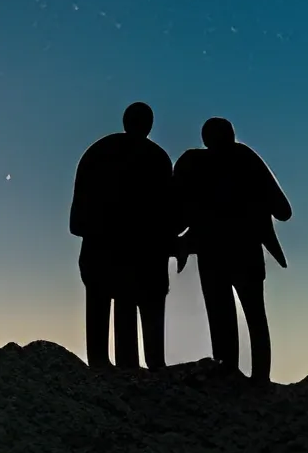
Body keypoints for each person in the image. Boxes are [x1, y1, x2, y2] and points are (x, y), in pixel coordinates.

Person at [174, 117, 290, 383]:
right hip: (242, 251)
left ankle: (229, 375)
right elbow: (282, 210)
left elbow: (177, 214)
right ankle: (258, 378)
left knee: (222, 315)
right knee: (253, 315)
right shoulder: (244, 158)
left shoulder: (194, 163)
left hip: (213, 253)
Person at [69, 102, 175, 370]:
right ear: (149, 125)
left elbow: (78, 214)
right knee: (130, 309)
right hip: (139, 255)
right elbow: (166, 212)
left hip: (102, 251)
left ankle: (106, 368)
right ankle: (136, 369)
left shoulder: (98, 152)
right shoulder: (157, 158)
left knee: (102, 310)